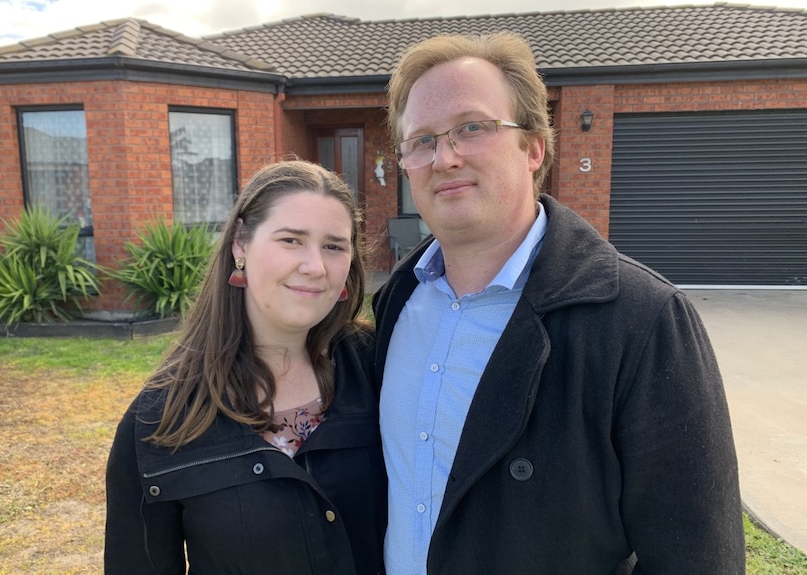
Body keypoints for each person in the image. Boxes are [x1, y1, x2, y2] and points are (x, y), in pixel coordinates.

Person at [373, 32, 745, 574]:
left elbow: (696, 557)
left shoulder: (642, 321)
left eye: (471, 128)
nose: (444, 157)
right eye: (421, 140)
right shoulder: (396, 304)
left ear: (533, 147)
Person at [105, 160, 387, 574]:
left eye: (334, 246)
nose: (315, 266)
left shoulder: (382, 370)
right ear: (241, 244)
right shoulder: (162, 417)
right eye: (291, 240)